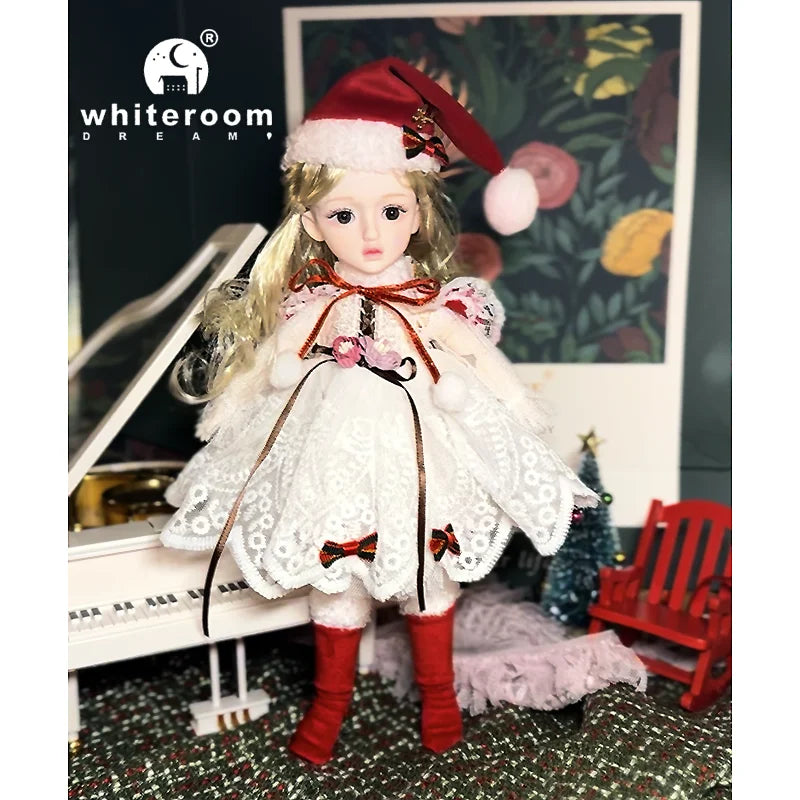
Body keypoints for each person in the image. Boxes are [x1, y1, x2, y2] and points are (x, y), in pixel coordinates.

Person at [160, 57, 597, 765]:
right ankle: (330, 701)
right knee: (336, 580)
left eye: (391, 210)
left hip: (419, 450)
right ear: (311, 221)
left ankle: (438, 692)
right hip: (329, 453)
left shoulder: (427, 302)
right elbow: (270, 361)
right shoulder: (316, 301)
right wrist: (226, 413)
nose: (370, 233)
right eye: (344, 214)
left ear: (416, 213)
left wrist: (516, 403)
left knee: (429, 573)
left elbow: (473, 354)